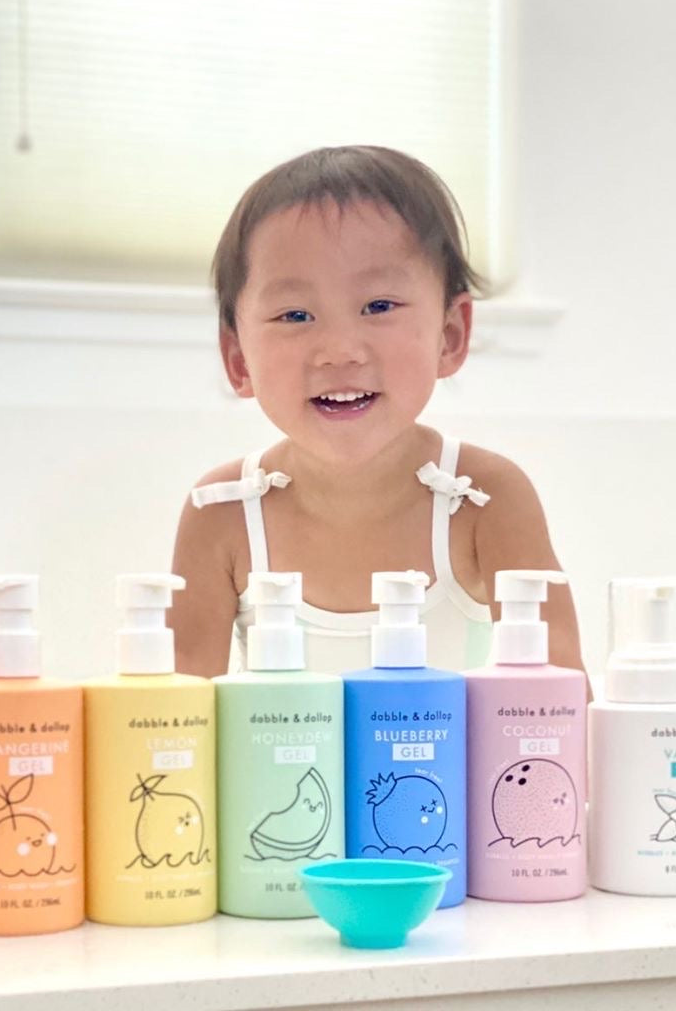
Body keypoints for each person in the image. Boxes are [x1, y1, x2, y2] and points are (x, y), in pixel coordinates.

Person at [170, 145, 584, 681]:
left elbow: (561, 709)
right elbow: (176, 721)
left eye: (379, 306)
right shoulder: (221, 512)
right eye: (295, 314)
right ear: (237, 359)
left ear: (451, 335)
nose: (340, 350)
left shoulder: (486, 499)